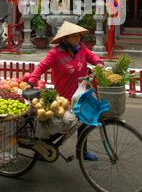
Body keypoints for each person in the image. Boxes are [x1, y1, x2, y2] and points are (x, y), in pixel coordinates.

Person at [26, 21, 104, 160]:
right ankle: (44, 147)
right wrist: (32, 81)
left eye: (78, 36)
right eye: (73, 36)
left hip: (81, 93)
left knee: (84, 123)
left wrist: (98, 62)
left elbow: (92, 57)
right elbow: (42, 67)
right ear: (65, 39)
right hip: (64, 97)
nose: (77, 39)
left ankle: (82, 153)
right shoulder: (55, 53)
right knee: (63, 126)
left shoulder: (82, 48)